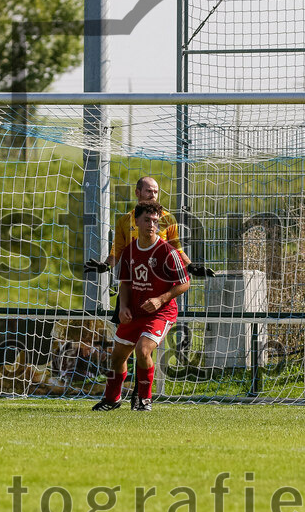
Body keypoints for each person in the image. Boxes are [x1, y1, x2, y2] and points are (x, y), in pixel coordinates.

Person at [92, 201, 191, 411]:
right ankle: (112, 399)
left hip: (161, 313)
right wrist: (123, 307)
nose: (151, 225)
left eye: (155, 221)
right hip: (136, 312)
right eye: (147, 220)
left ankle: (144, 400)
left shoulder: (168, 252)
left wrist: (160, 299)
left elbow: (185, 283)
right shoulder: (129, 251)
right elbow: (125, 283)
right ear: (135, 221)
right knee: (117, 356)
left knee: (143, 349)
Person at [84, 176, 214, 277]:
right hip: (133, 280)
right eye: (149, 191)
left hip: (159, 279)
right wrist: (106, 266)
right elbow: (116, 252)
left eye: (156, 192)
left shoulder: (168, 219)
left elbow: (176, 249)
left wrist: (192, 267)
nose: (153, 195)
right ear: (137, 192)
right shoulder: (124, 221)